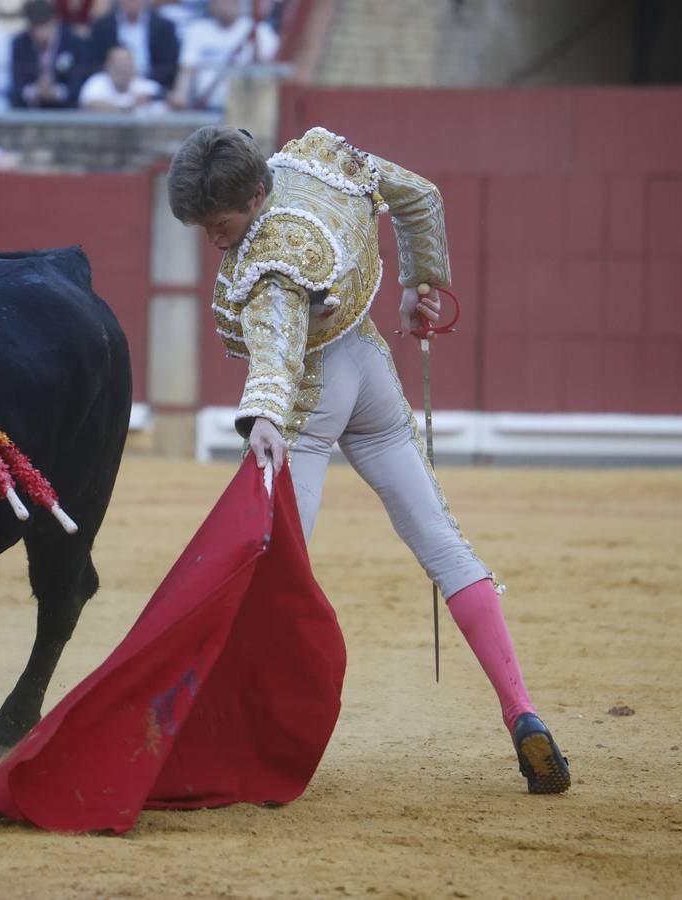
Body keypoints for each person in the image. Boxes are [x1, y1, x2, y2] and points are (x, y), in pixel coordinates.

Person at [166, 125, 572, 794]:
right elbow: (418, 196)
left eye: (222, 222)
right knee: (444, 542)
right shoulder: (319, 158)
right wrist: (419, 285)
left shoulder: (269, 255)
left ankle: (236, 738)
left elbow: (276, 341)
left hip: (305, 403)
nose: (216, 237)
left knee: (268, 571)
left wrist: (265, 413)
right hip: (370, 368)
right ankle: (521, 710)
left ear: (258, 193)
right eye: (204, 225)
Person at [171, 0, 275, 110]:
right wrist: (180, 96)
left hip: (246, 109)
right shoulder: (197, 29)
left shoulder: (258, 30)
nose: (226, 6)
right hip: (206, 106)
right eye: (221, 2)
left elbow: (273, 67)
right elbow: (187, 70)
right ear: (212, 5)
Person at [10, 0, 88, 110]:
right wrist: (34, 91)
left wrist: (57, 92)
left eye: (43, 26)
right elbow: (17, 83)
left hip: (66, 109)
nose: (39, 33)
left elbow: (79, 81)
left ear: (55, 21)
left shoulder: (73, 42)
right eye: (34, 27)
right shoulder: (20, 43)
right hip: (30, 109)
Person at [88, 0, 178, 94]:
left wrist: (142, 79)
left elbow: (170, 66)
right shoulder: (102, 26)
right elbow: (95, 62)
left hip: (151, 85)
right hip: (110, 86)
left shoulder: (164, 27)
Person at [78, 43, 161, 112]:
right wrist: (127, 107)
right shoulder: (96, 82)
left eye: (125, 63)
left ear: (133, 66)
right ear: (107, 66)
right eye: (118, 63)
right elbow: (90, 103)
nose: (122, 68)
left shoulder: (146, 86)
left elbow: (161, 98)